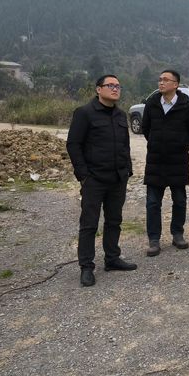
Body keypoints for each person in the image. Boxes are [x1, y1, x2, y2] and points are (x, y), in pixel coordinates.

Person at [66, 75, 136, 287]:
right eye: (110, 85)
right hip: (94, 179)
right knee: (89, 224)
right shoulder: (84, 113)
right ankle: (86, 267)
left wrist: (127, 169)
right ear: (98, 89)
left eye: (118, 86)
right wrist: (83, 175)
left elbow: (125, 145)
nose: (115, 89)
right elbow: (73, 144)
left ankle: (112, 258)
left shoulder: (120, 115)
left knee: (114, 220)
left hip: (118, 178)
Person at [142, 69, 189, 256]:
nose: (161, 82)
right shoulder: (152, 104)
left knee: (180, 200)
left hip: (178, 161)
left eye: (165, 80)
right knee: (152, 203)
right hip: (155, 161)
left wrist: (181, 146)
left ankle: (177, 234)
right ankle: (154, 239)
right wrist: (156, 144)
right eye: (160, 79)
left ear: (176, 84)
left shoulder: (187, 106)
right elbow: (146, 129)